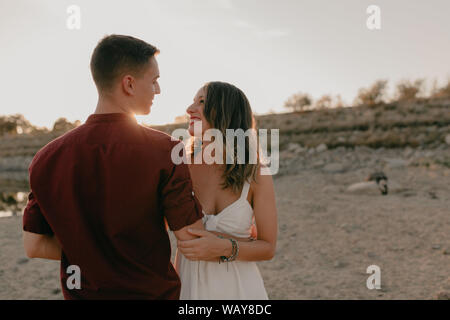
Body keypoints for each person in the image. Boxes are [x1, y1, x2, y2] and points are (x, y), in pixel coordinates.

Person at [21, 34, 205, 299]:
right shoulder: (166, 151)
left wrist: (93, 251)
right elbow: (191, 237)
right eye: (154, 81)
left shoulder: (45, 158)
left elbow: (34, 245)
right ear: (128, 84)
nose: (158, 90)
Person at [175, 81, 278, 299]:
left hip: (240, 290)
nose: (190, 109)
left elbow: (268, 247)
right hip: (187, 286)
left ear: (226, 111)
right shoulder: (181, 166)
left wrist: (223, 247)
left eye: (201, 102)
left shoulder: (256, 173)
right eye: (193, 101)